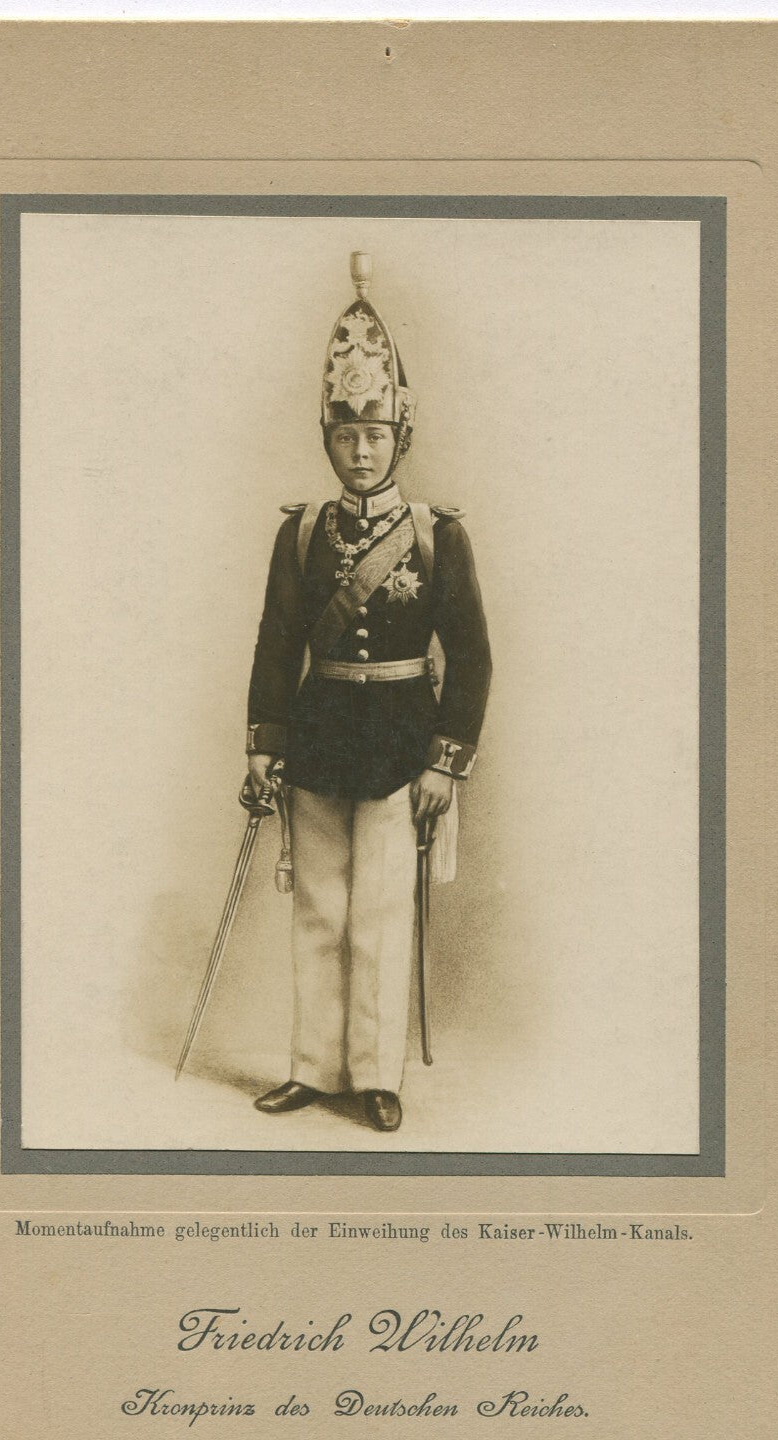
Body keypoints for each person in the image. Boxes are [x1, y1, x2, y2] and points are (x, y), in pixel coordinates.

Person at [245, 252, 491, 1132]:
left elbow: (470, 658)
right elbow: (277, 642)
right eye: (345, 435)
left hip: (398, 746)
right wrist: (265, 746)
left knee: (380, 917)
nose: (360, 450)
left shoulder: (435, 537)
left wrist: (444, 764)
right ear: (328, 438)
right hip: (316, 739)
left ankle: (374, 1074)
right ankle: (313, 1068)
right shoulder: (303, 533)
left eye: (375, 435)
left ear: (400, 438)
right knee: (319, 911)